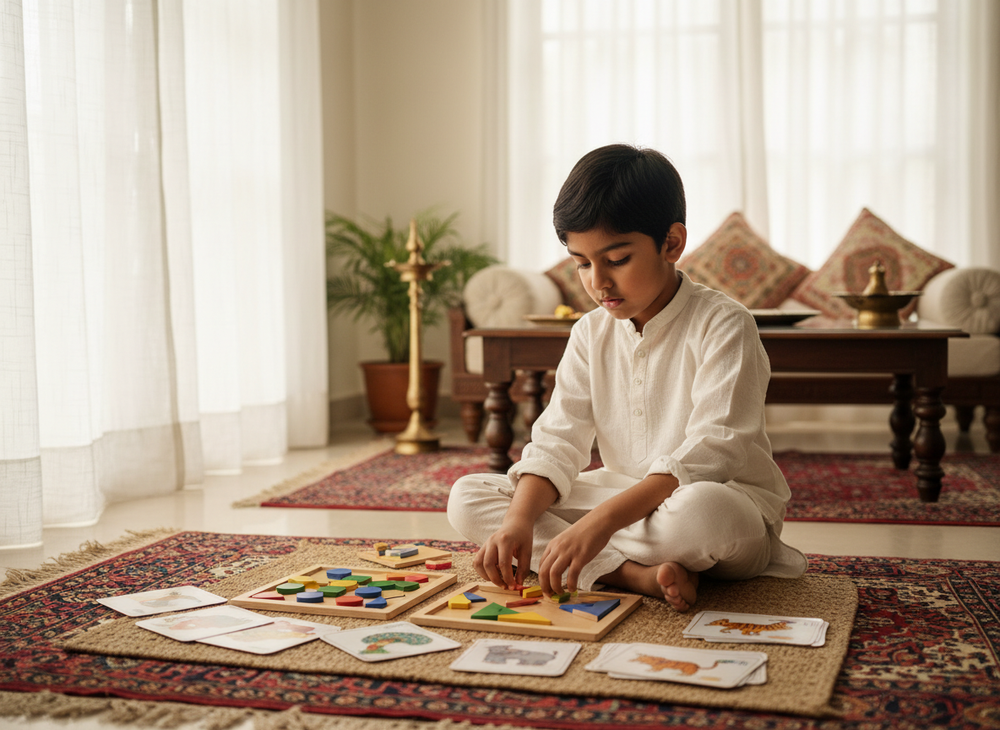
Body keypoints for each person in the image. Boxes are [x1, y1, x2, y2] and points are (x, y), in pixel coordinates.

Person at [447, 144, 807, 612]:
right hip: (622, 498)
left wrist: (596, 526)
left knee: (700, 516)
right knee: (469, 496)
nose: (598, 282)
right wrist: (518, 522)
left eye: (616, 260)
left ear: (672, 243)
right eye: (581, 263)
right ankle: (634, 575)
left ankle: (590, 553)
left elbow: (713, 451)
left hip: (718, 505)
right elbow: (558, 441)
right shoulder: (588, 332)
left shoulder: (724, 323)